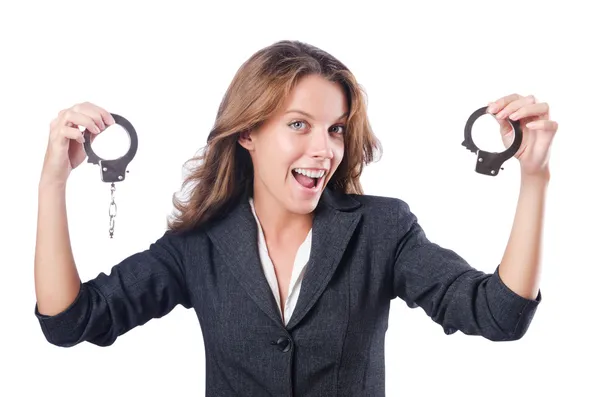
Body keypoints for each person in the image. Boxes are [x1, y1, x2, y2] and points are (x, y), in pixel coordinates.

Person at [34, 40, 558, 396]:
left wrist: (534, 179)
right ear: (247, 133)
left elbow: (499, 315)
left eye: (334, 129)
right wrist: (53, 181)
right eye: (300, 124)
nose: (324, 149)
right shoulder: (198, 246)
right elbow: (71, 321)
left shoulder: (383, 231)